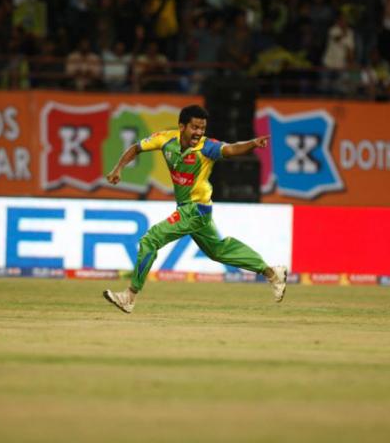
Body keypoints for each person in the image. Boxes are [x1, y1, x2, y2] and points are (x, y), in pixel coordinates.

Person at [102, 105, 287, 314]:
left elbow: (231, 149)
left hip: (194, 210)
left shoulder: (207, 147)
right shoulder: (165, 139)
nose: (199, 132)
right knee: (218, 250)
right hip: (196, 211)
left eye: (202, 128)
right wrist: (118, 168)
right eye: (195, 127)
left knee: (150, 240)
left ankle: (129, 296)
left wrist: (252, 144)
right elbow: (136, 148)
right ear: (182, 126)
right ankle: (272, 273)